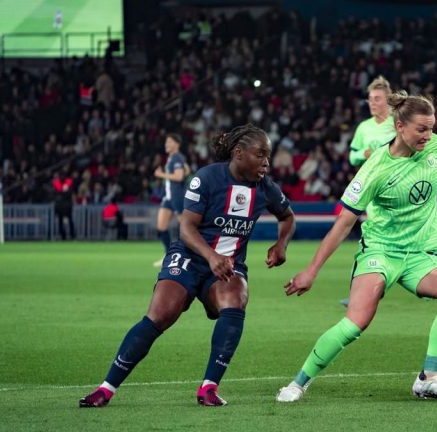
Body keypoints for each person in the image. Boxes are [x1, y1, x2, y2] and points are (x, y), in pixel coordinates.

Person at [79, 124, 296, 408]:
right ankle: (106, 388)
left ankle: (209, 387)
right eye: (260, 155)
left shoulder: (266, 188)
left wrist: (281, 245)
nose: (266, 162)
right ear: (238, 153)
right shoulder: (205, 179)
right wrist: (211, 257)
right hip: (190, 258)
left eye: (268, 155)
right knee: (160, 314)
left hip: (227, 267)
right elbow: (186, 229)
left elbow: (288, 217)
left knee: (236, 299)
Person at [276, 92, 437, 403]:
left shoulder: (435, 146)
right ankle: (298, 383)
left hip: (421, 252)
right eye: (421, 129)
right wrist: (311, 271)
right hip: (381, 251)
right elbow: (343, 224)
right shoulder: (374, 170)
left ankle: (428, 378)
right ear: (399, 127)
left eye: (431, 128)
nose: (428, 135)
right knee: (356, 323)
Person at [341, 75, 397, 306]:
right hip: (373, 190)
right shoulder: (364, 127)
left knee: (387, 239)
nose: (372, 103)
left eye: (377, 99)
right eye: (370, 99)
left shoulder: (397, 122)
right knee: (373, 239)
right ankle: (364, 289)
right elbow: (352, 154)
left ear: (388, 100)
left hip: (397, 186)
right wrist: (362, 154)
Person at [153, 133, 190, 266]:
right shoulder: (173, 158)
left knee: (186, 228)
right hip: (168, 197)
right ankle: (169, 256)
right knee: (161, 228)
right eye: (166, 142)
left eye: (169, 142)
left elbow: (179, 176)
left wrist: (160, 174)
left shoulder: (177, 157)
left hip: (177, 197)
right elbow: (186, 170)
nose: (166, 144)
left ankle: (189, 255)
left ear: (177, 144)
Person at [53, 171, 76, 240]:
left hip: (66, 205)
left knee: (69, 220)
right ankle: (65, 236)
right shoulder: (57, 183)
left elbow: (68, 193)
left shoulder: (68, 183)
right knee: (62, 221)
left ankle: (71, 235)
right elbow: (58, 192)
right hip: (61, 205)